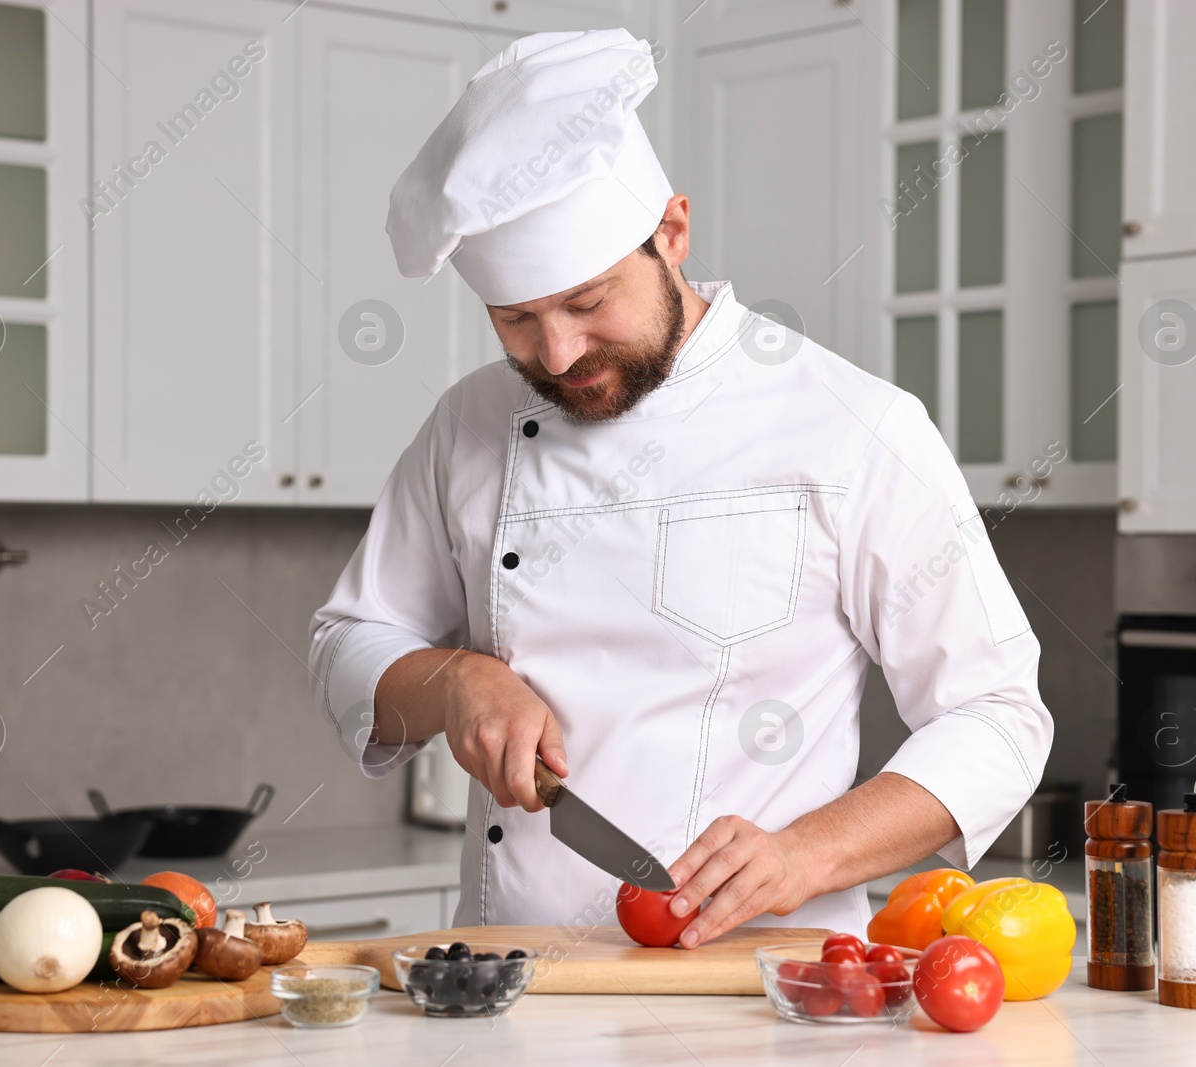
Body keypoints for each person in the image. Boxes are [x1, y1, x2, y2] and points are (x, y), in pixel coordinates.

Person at [308, 28, 1052, 948]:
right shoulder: (469, 423)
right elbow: (348, 639)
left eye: (588, 302)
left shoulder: (854, 425)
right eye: (516, 320)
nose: (559, 353)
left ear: (672, 232)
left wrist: (806, 854)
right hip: (509, 987)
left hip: (760, 994)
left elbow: (998, 714)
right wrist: (456, 680)